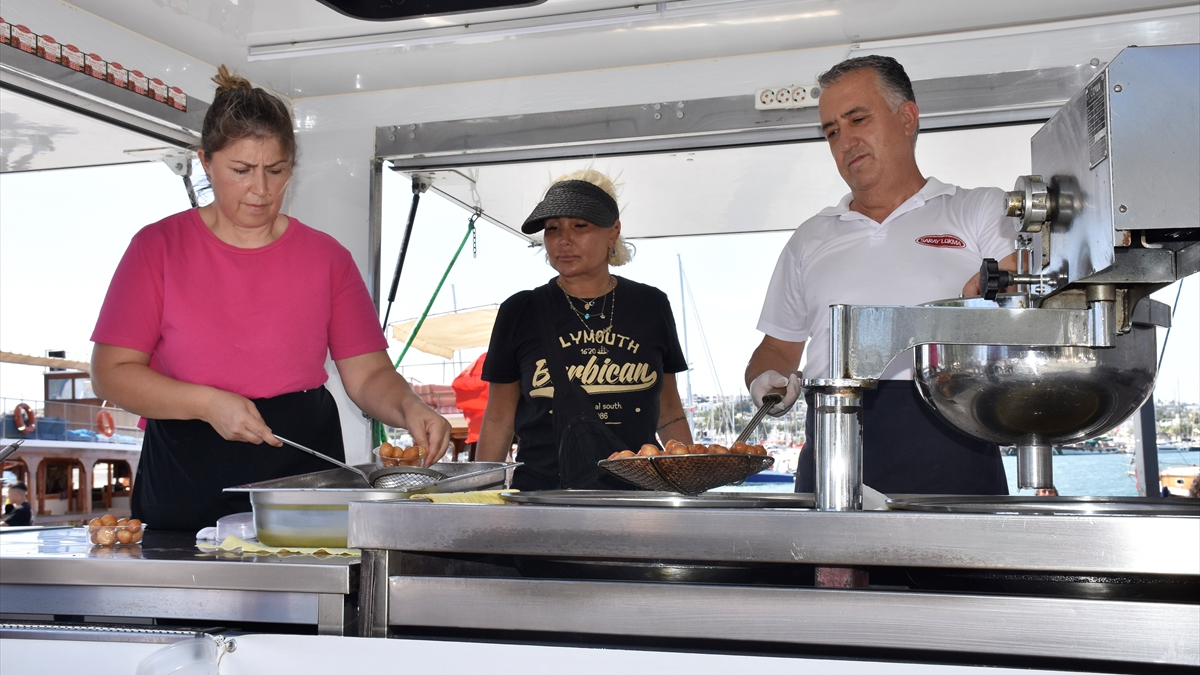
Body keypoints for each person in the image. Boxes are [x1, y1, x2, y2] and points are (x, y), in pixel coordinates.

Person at [90, 66, 451, 531]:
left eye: (276, 171)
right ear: (205, 162)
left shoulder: (327, 257)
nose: (261, 190)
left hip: (302, 469)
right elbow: (111, 373)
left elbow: (369, 375)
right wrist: (207, 404)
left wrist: (409, 408)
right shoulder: (157, 247)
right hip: (186, 468)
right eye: (241, 171)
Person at [745, 55, 1018, 496]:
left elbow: (1024, 299)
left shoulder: (978, 209)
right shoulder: (809, 238)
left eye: (858, 120)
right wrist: (764, 380)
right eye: (832, 131)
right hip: (831, 453)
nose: (845, 141)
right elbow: (776, 348)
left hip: (957, 447)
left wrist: (988, 302)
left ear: (907, 117)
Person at [475, 170, 693, 489]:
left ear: (613, 232)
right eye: (552, 228)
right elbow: (498, 419)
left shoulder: (651, 305)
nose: (564, 240)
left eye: (580, 226)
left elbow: (669, 410)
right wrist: (479, 495)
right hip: (542, 497)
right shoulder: (519, 310)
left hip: (638, 498)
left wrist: (690, 482)